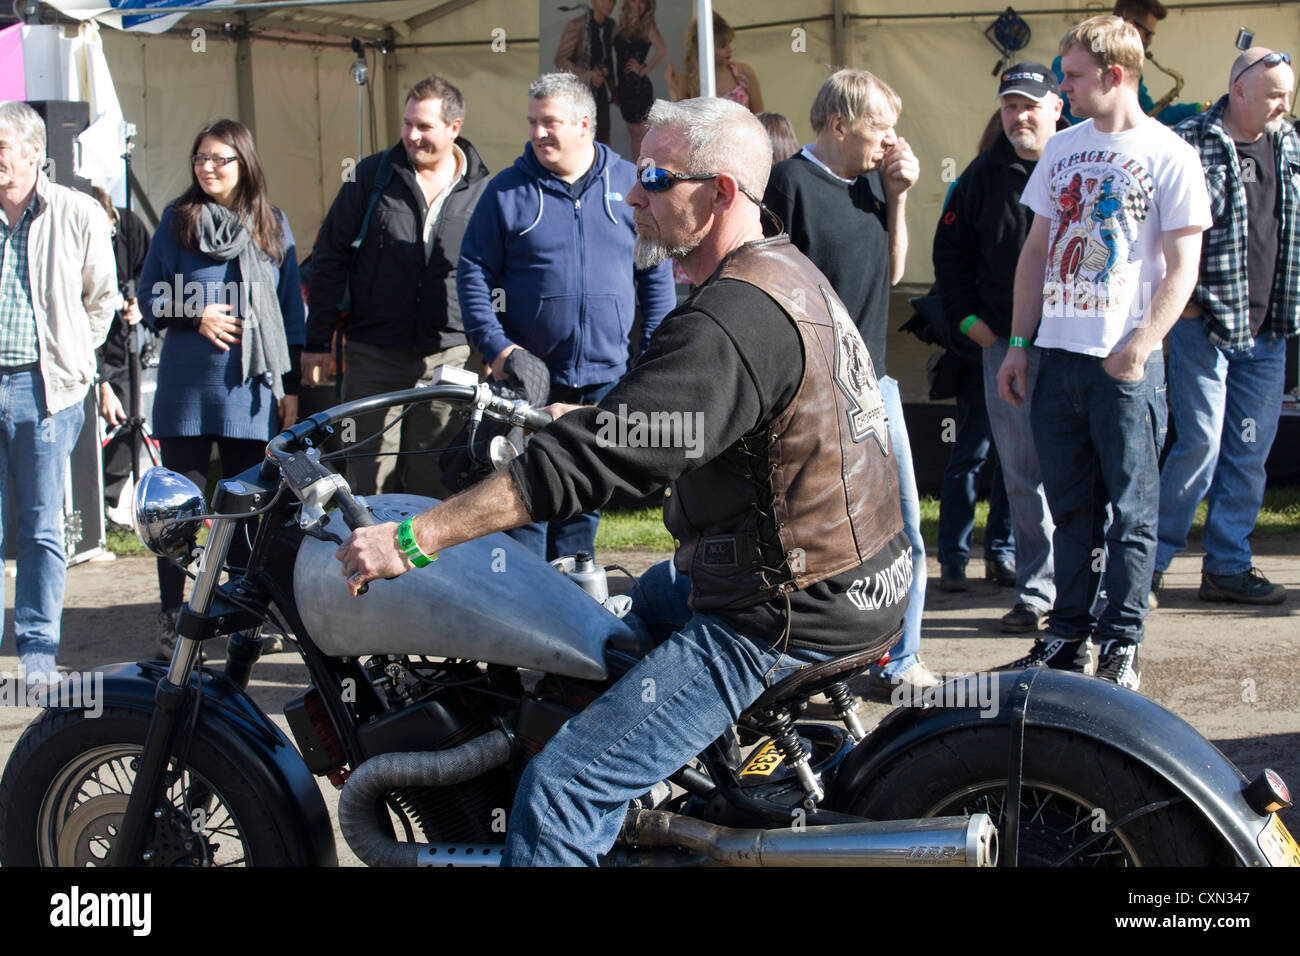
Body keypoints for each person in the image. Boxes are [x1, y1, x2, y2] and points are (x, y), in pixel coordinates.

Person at [338, 96, 911, 866]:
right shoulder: (780, 269)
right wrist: (595, 416)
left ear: (720, 195)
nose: (633, 195)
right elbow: (674, 418)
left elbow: (598, 462)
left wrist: (417, 536)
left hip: (783, 607)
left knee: (563, 791)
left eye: (654, 178)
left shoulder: (729, 319)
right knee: (621, 622)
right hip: (843, 572)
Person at [996, 16, 1210, 689]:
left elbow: (1183, 266)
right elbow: (1035, 251)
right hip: (1055, 356)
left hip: (1122, 365)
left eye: (1075, 76)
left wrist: (1141, 344)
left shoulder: (1170, 152)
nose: (1065, 86)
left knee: (1133, 509)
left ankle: (1121, 642)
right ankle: (1066, 636)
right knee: (1071, 508)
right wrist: (1019, 345)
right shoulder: (1062, 148)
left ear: (1116, 75)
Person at [762, 69, 934, 701]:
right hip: (814, 392)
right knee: (820, 530)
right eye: (880, 127)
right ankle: (812, 661)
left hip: (874, 384)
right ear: (839, 124)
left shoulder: (869, 185)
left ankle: (900, 657)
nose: (891, 141)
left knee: (904, 525)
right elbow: (773, 283)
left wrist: (898, 197)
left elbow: (890, 274)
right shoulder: (789, 184)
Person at [457, 72, 674, 562]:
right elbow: (474, 274)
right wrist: (500, 349)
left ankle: (578, 607)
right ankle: (524, 616)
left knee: (582, 500)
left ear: (583, 124)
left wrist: (654, 355)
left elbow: (655, 276)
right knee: (522, 502)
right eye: (532, 122)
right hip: (528, 383)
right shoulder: (507, 191)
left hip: (604, 379)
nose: (537, 133)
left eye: (548, 122)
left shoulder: (628, 183)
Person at [139, 119, 305, 658]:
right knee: (177, 516)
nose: (208, 167)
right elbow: (147, 299)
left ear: (244, 164)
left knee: (245, 515)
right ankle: (172, 619)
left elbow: (290, 316)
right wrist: (195, 311)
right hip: (186, 395)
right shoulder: (177, 223)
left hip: (250, 393)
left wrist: (292, 389)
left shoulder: (271, 226)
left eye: (220, 159)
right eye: (201, 158)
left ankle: (243, 616)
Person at [1153, 47, 1297, 606]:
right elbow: (1151, 225)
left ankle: (1227, 566)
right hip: (1204, 324)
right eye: (1276, 94)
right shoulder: (1187, 141)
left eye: (1288, 92)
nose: (1285, 103)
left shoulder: (1290, 143)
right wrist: (1178, 302)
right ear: (1239, 91)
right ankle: (1152, 562)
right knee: (1200, 445)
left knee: (1250, 448)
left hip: (1270, 326)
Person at [305, 75, 490, 501]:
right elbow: (329, 258)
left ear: (454, 128)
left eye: (424, 126)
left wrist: (492, 349)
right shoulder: (371, 176)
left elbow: (496, 274)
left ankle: (427, 569)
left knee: (435, 481)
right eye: (407, 124)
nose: (411, 135)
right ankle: (366, 568)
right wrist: (317, 342)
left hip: (451, 355)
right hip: (374, 354)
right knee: (368, 480)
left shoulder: (484, 189)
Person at [933, 63, 1065, 631]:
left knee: (1088, 470)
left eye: (1031, 104)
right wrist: (971, 325)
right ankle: (1038, 592)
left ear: (1057, 106)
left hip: (1083, 348)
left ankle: (1093, 586)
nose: (1020, 116)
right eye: (1010, 106)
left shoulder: (1083, 164)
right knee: (1022, 475)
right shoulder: (980, 177)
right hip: (1006, 350)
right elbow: (949, 259)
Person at [0, 101, 116, 682]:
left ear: (33, 153)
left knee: (42, 525)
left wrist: (73, 362)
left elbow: (102, 302)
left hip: (44, 389)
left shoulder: (76, 213)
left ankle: (38, 651)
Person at [90, 185, 151, 523]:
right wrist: (100, 382)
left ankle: (109, 498)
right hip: (87, 349)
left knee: (128, 418)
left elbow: (152, 271)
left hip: (123, 344)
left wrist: (140, 303)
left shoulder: (130, 226)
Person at [1052, 0, 1207, 127]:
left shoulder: (1131, 71)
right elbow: (1055, 107)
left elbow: (1149, 111)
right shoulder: (1072, 61)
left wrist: (1196, 109)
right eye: (1148, 34)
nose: (1149, 41)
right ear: (1129, 25)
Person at [666, 12, 764, 112]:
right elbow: (680, 122)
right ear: (704, 48)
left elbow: (760, 117)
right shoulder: (688, 81)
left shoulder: (744, 73)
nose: (729, 49)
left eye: (729, 43)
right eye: (722, 46)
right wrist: (673, 90)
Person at [555, 0, 619, 145]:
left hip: (601, 90)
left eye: (613, 1)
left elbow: (608, 59)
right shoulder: (577, 25)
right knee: (582, 136)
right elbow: (561, 60)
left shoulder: (611, 26)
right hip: (580, 91)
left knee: (603, 136)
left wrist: (613, 88)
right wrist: (588, 75)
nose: (609, 5)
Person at [614, 0, 667, 158]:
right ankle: (638, 174)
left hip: (638, 87)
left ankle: (646, 175)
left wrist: (643, 70)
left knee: (643, 136)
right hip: (624, 86)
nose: (637, 6)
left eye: (642, 3)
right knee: (634, 135)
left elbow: (662, 50)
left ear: (648, 6)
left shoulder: (647, 26)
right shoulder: (623, 23)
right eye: (633, 1)